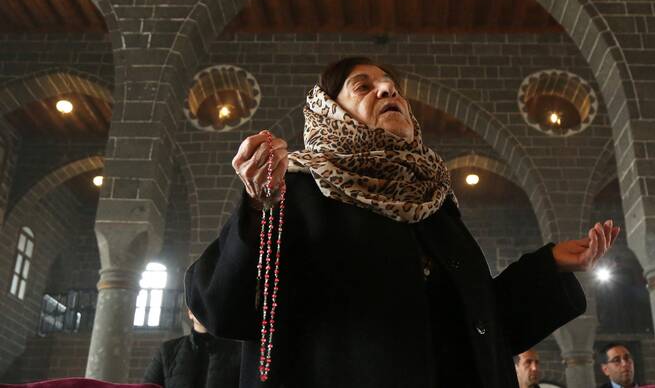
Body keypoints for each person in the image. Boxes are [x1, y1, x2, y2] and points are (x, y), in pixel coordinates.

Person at [185, 57, 620, 388]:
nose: (387, 90)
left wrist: (548, 267)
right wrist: (258, 206)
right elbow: (223, 308)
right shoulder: (296, 191)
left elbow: (479, 321)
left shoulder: (432, 203)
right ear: (329, 111)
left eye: (392, 87)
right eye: (364, 86)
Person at [142, 308, 241, 388]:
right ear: (190, 312)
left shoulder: (238, 352)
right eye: (199, 303)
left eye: (208, 303)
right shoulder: (167, 351)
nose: (204, 308)